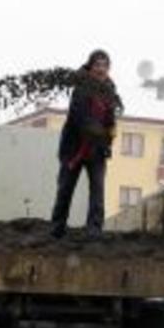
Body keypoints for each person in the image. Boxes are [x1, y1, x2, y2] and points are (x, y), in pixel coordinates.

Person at [50, 49, 122, 238]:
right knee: (65, 188)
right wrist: (97, 131)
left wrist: (110, 133)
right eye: (98, 65)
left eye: (105, 65)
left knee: (97, 190)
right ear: (90, 67)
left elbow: (110, 118)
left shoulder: (109, 91)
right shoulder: (81, 88)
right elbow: (78, 117)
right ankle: (57, 227)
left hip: (97, 150)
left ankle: (94, 229)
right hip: (75, 148)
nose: (101, 69)